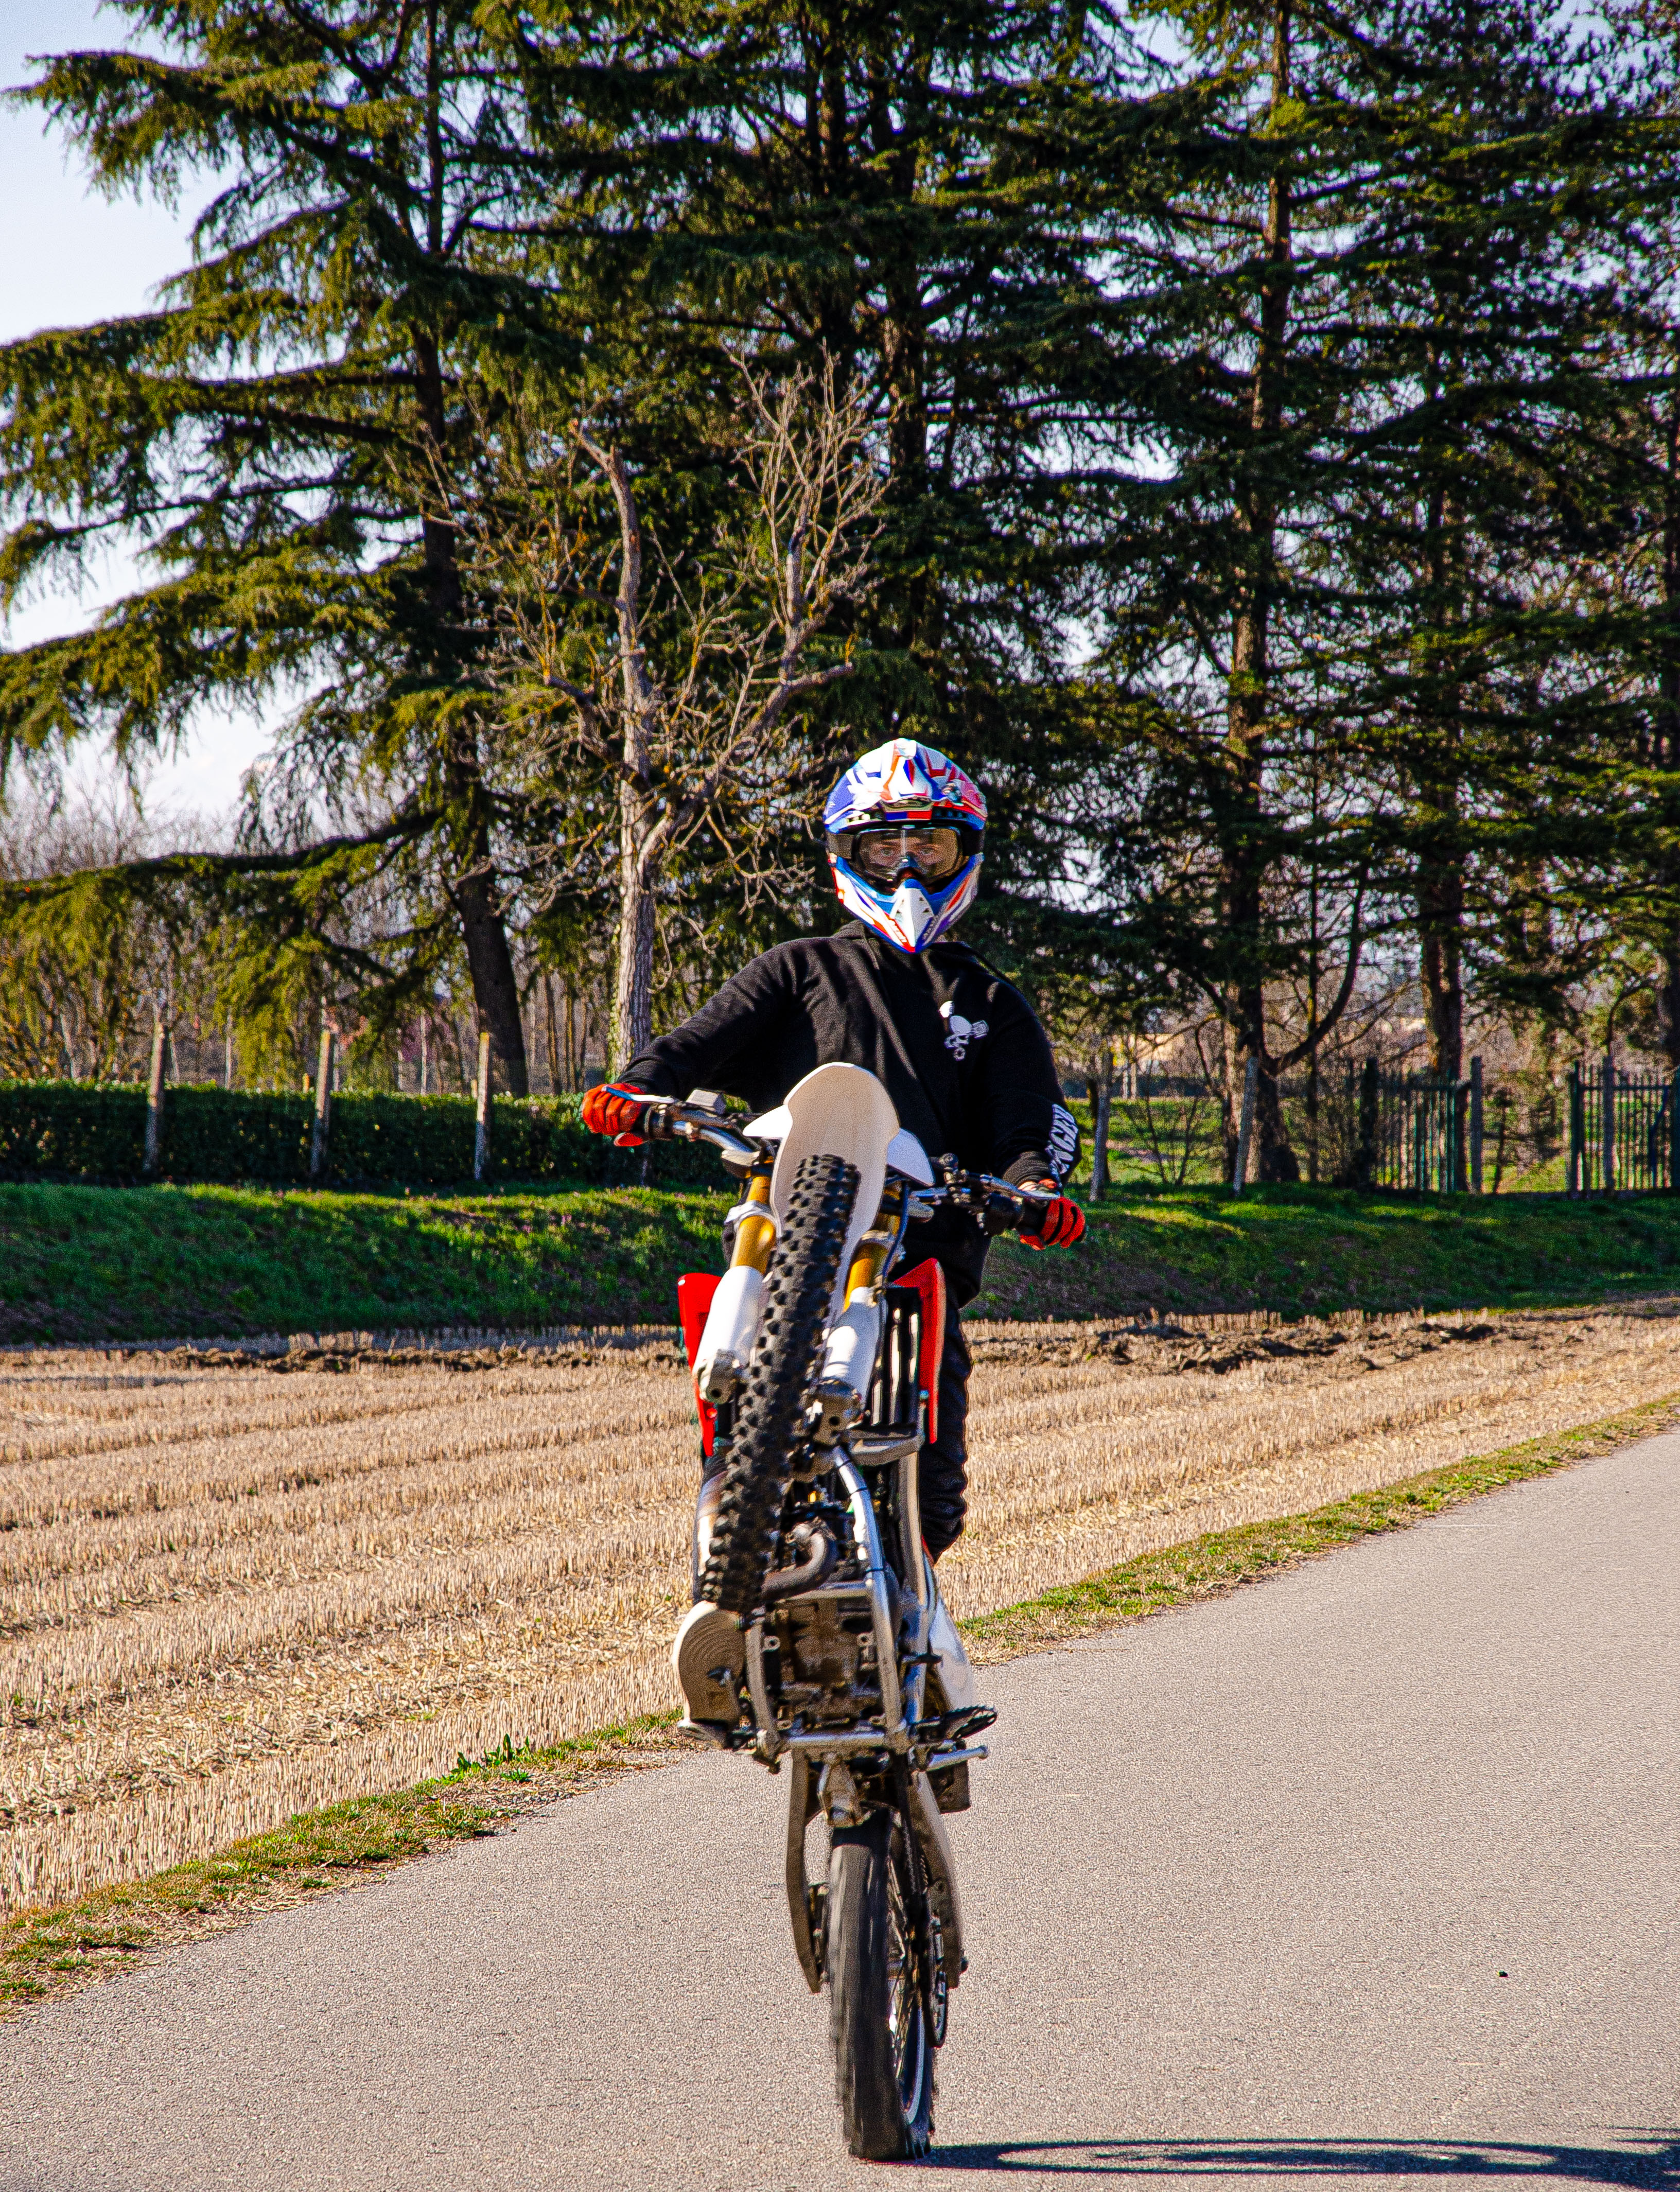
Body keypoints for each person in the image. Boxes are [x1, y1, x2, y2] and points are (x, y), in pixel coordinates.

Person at [581, 736, 1086, 1721]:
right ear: (843, 856)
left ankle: (917, 1625)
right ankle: (723, 1599)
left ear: (965, 855)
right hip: (786, 1231)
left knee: (935, 1498)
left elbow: (1030, 1132)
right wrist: (634, 1091)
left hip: (917, 1262)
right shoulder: (797, 969)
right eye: (882, 848)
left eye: (929, 849)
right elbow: (692, 1046)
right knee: (732, 1395)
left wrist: (1036, 1190)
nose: (905, 869)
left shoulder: (989, 1003)